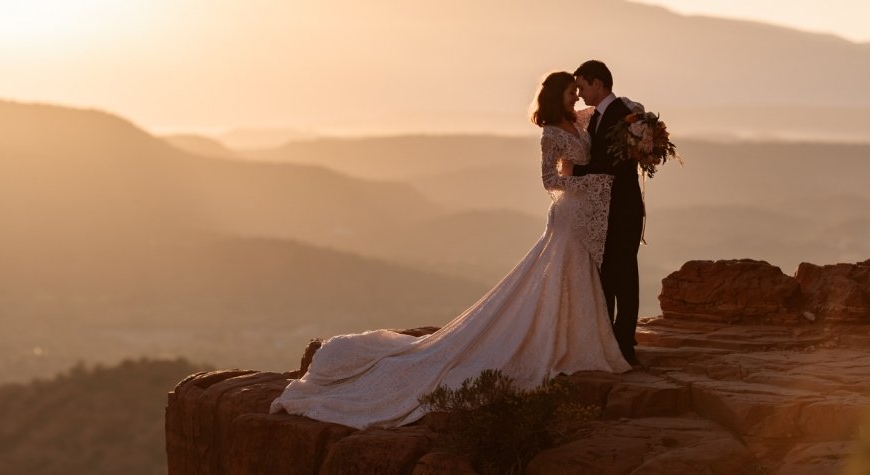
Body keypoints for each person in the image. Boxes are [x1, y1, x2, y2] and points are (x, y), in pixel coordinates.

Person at [268, 71, 630, 430]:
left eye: (577, 92)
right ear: (556, 97)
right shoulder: (551, 133)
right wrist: (588, 181)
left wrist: (639, 126)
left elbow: (617, 113)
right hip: (568, 215)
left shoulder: (578, 121)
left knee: (577, 274)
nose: (576, 98)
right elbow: (549, 181)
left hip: (585, 216)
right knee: (563, 271)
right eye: (570, 93)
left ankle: (574, 337)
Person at [572, 60, 645, 365]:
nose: (579, 93)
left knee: (624, 275)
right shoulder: (596, 117)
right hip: (604, 209)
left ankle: (625, 344)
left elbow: (616, 165)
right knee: (607, 276)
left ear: (598, 83)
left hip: (624, 208)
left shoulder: (624, 115)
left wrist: (577, 170)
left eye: (582, 86)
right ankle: (609, 341)